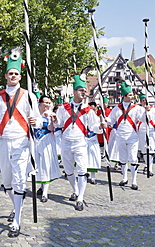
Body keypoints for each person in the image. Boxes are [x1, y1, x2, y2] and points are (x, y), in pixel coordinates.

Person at [0, 47, 42, 238]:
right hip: (3, 141)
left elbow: (37, 117)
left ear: (20, 76)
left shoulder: (29, 95)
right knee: (7, 182)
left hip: (21, 142)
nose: (13, 76)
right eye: (10, 73)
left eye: (16, 73)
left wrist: (37, 120)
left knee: (20, 180)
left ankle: (17, 220)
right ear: (5, 75)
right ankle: (16, 205)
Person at [53, 68, 103, 211]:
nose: (84, 92)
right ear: (74, 92)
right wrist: (55, 120)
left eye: (84, 90)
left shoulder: (88, 110)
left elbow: (94, 127)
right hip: (66, 142)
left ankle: (80, 198)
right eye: (81, 90)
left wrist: (101, 125)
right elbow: (59, 124)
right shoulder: (64, 108)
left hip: (81, 143)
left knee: (82, 170)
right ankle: (75, 190)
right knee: (68, 170)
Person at [106, 79, 146, 190]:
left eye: (132, 94)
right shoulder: (116, 108)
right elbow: (111, 120)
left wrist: (145, 112)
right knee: (122, 158)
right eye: (130, 94)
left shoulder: (137, 108)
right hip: (120, 136)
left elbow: (143, 119)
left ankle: (134, 181)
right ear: (124, 96)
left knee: (133, 158)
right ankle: (124, 178)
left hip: (132, 136)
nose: (132, 96)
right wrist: (105, 121)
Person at [33, 95, 61, 202]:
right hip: (35, 141)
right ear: (40, 103)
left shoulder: (50, 115)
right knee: (37, 164)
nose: (47, 105)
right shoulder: (34, 113)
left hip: (47, 140)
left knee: (46, 164)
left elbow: (52, 127)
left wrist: (53, 121)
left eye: (49, 103)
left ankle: (45, 192)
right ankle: (41, 186)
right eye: (46, 102)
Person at [137, 92, 155, 176]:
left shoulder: (153, 109)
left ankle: (150, 168)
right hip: (142, 131)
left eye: (145, 100)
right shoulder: (138, 109)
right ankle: (146, 164)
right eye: (143, 100)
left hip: (151, 130)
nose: (144, 102)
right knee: (144, 150)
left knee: (151, 149)